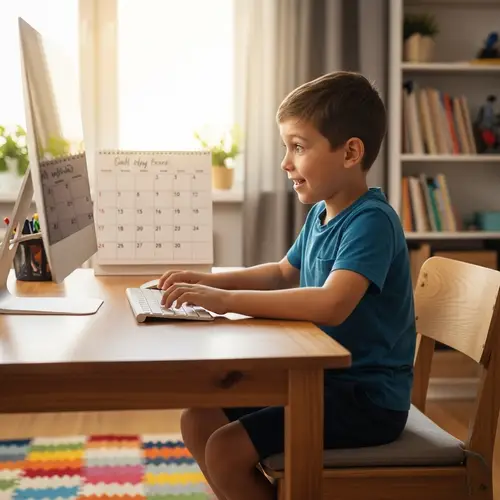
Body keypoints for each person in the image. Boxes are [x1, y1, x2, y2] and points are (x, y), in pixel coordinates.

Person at [158, 71, 416, 500]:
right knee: (198, 417)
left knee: (225, 450)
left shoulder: (373, 222)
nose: (285, 162)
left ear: (351, 152)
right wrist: (207, 278)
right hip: (319, 382)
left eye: (298, 146)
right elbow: (281, 272)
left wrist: (224, 300)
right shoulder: (322, 214)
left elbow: (333, 303)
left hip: (366, 400)